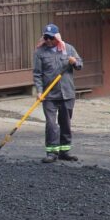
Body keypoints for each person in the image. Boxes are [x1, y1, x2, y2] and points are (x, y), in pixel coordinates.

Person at [33, 23, 83, 163]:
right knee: (51, 124)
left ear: (57, 37)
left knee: (65, 123)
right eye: (46, 38)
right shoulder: (39, 52)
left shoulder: (68, 49)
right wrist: (39, 91)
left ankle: (64, 151)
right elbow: (37, 74)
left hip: (67, 93)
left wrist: (74, 62)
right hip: (49, 95)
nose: (48, 41)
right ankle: (52, 152)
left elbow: (80, 65)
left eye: (51, 38)